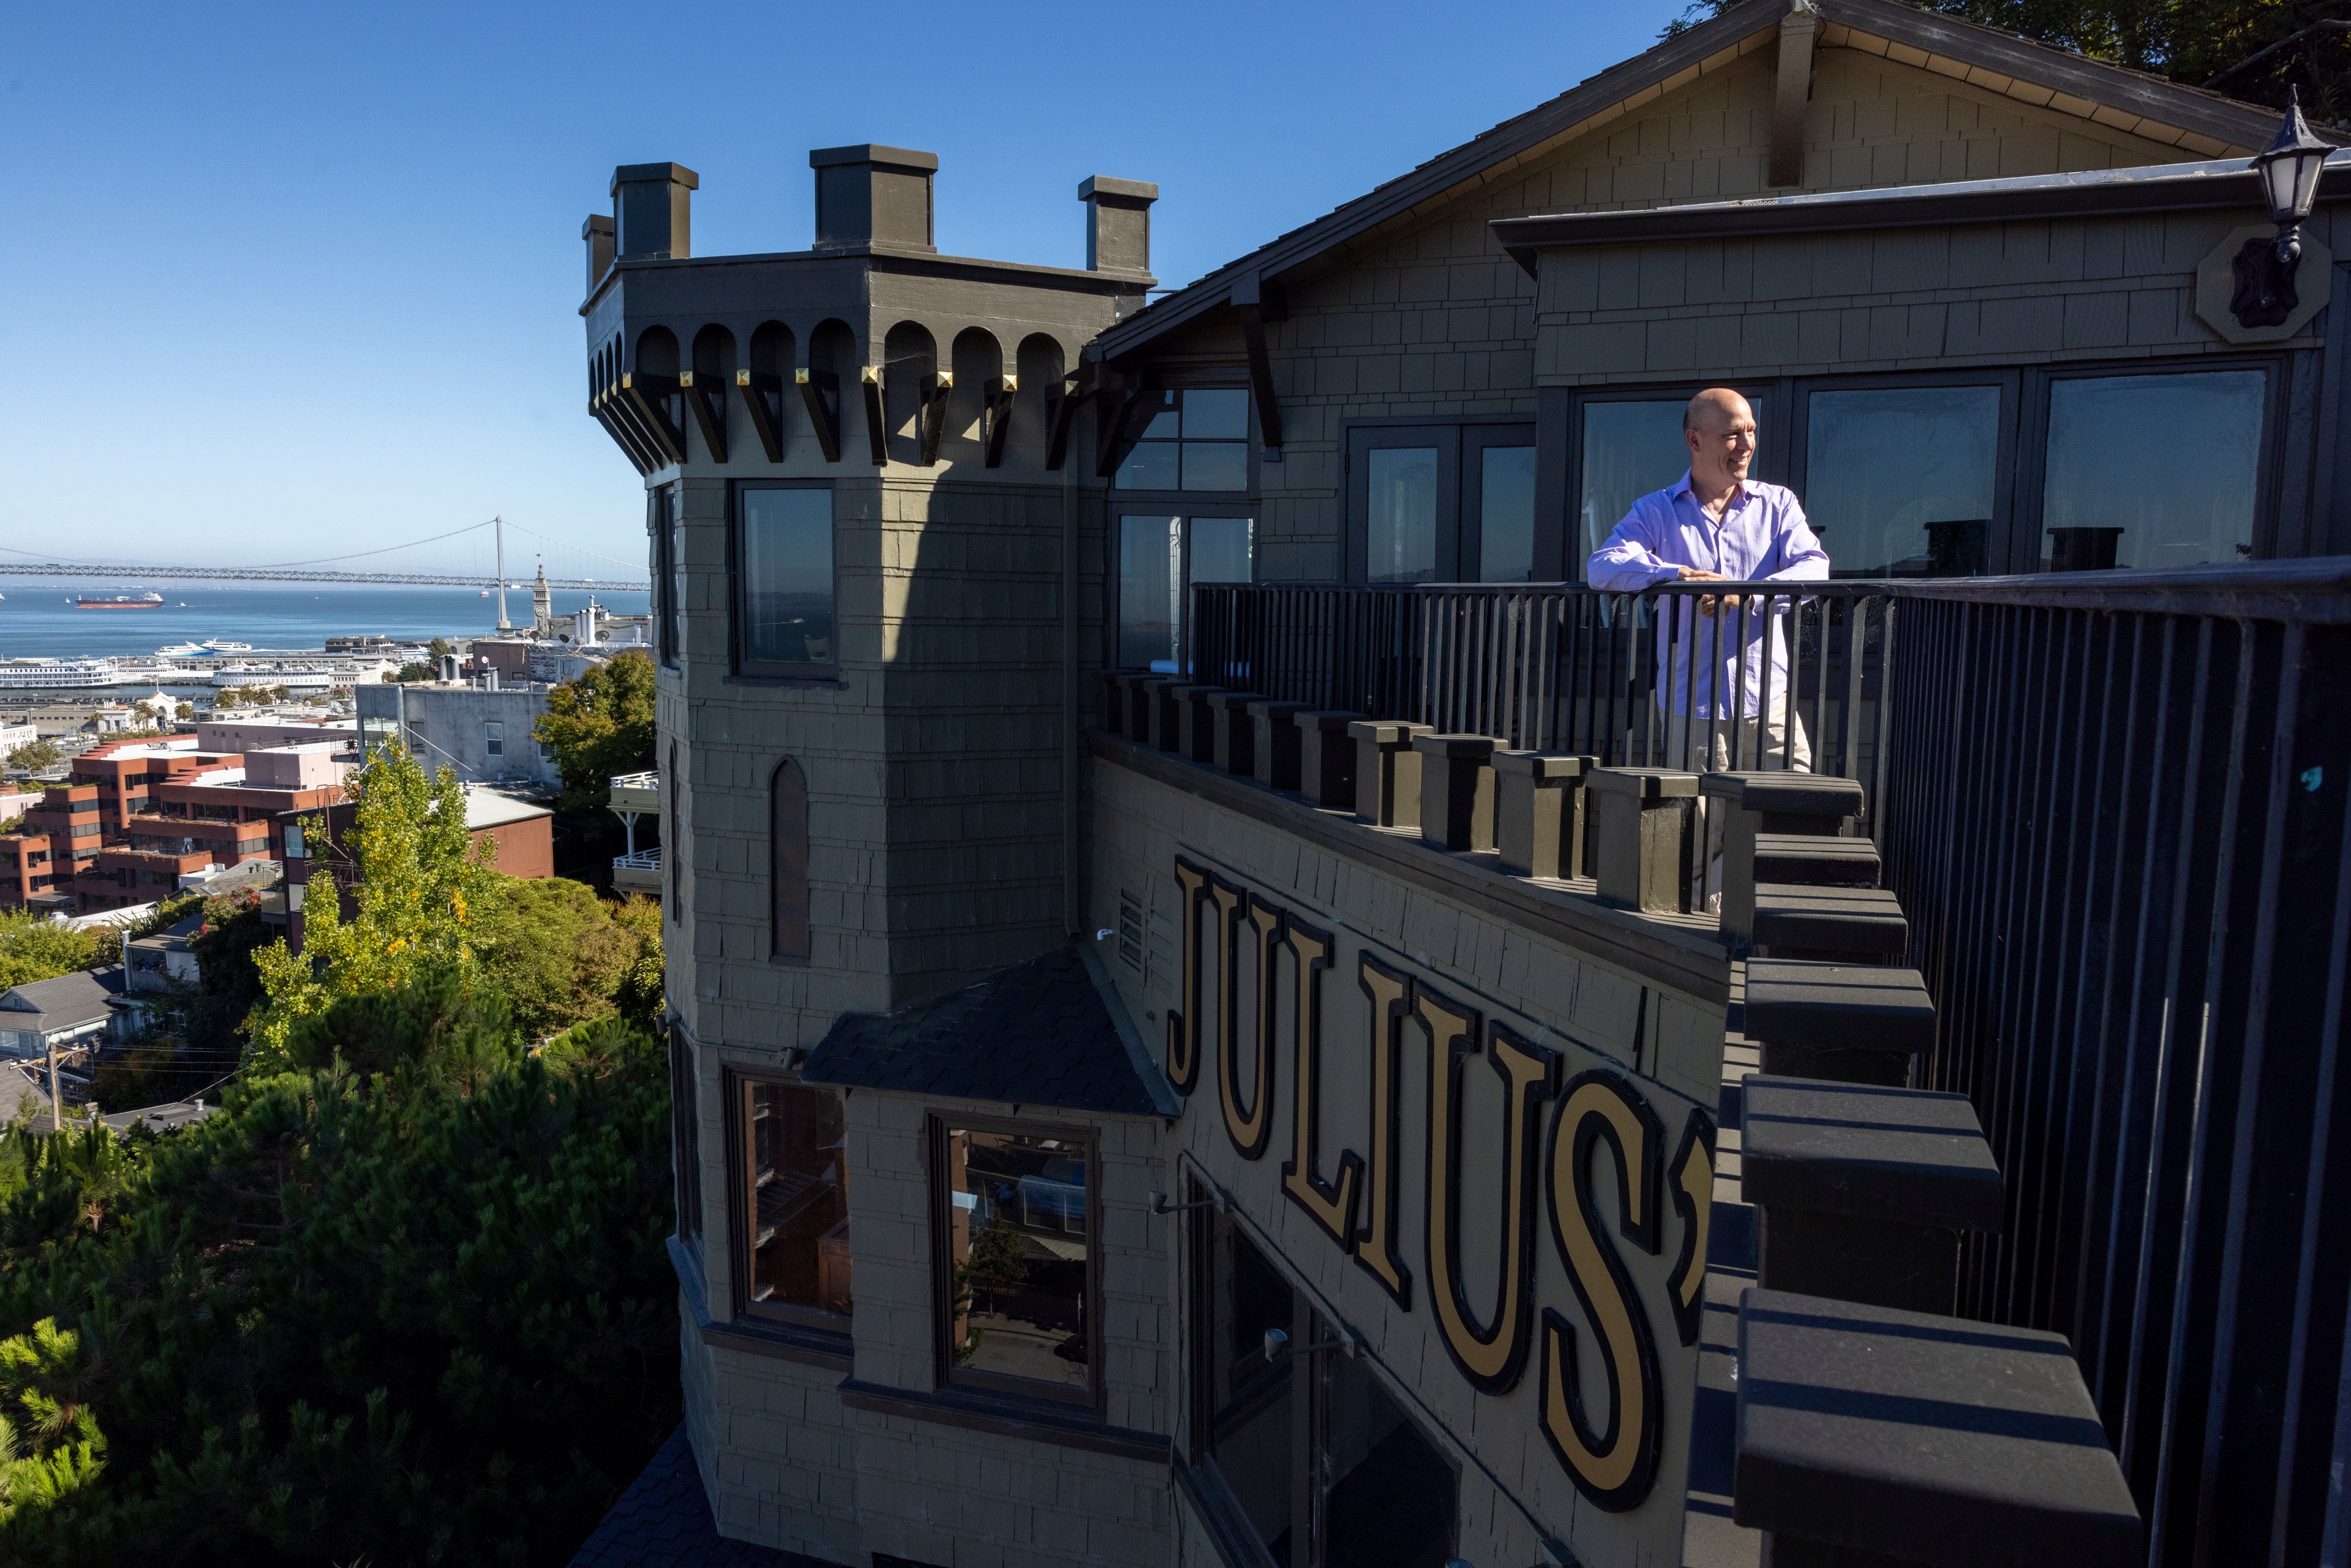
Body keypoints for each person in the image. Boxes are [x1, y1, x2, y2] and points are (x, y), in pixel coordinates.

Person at [1586, 387, 1828, 773]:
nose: (1746, 445)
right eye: (1733, 434)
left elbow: (1815, 568)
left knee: (1790, 810)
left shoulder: (1778, 504)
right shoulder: (1655, 510)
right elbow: (1601, 567)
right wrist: (1672, 575)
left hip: (1768, 700)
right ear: (1694, 440)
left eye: (1751, 431)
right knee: (1701, 827)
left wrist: (1746, 596)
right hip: (1692, 705)